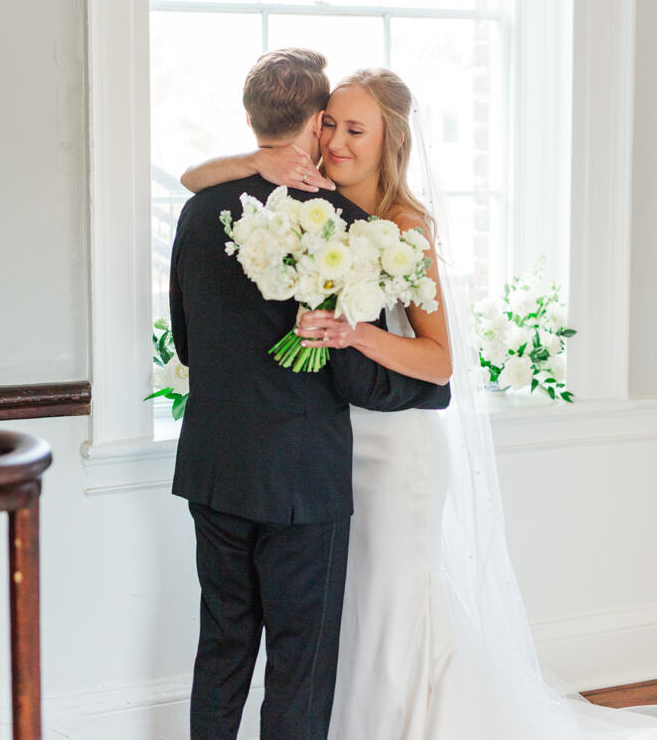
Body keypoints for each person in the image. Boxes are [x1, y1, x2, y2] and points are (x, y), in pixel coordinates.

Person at [182, 62, 657, 739]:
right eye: (327, 125)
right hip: (329, 447)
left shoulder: (402, 225)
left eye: (354, 129)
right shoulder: (312, 209)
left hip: (392, 444)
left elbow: (439, 362)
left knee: (386, 600)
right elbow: (197, 181)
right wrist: (269, 163)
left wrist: (355, 335)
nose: (336, 141)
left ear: (389, 140)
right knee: (335, 618)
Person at [169, 48, 451, 740]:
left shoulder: (198, 212)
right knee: (300, 659)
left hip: (211, 465)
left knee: (223, 645)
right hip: (303, 479)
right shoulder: (343, 226)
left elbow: (184, 342)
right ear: (317, 119)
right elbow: (352, 378)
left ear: (250, 116)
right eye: (334, 126)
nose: (337, 143)